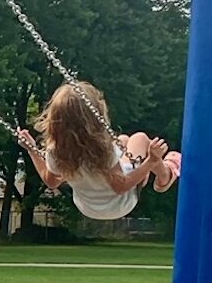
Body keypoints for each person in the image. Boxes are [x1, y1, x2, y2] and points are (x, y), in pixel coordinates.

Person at [19, 81, 181, 220]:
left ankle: (157, 170)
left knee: (123, 140)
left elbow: (51, 181)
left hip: (88, 208)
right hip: (121, 203)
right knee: (140, 139)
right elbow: (121, 187)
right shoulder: (103, 151)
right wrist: (151, 161)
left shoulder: (57, 152)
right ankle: (165, 176)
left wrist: (32, 150)